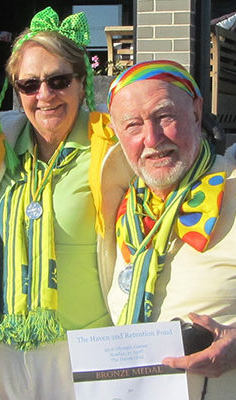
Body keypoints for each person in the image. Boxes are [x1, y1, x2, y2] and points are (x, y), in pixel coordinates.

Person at [0, 7, 117, 400]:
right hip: (3, 348)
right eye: (29, 84)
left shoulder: (110, 150)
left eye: (58, 80)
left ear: (82, 83)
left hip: (85, 350)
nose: (44, 95)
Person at [99, 60, 236, 400]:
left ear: (196, 112)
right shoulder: (120, 208)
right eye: (133, 125)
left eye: (164, 117)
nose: (152, 138)